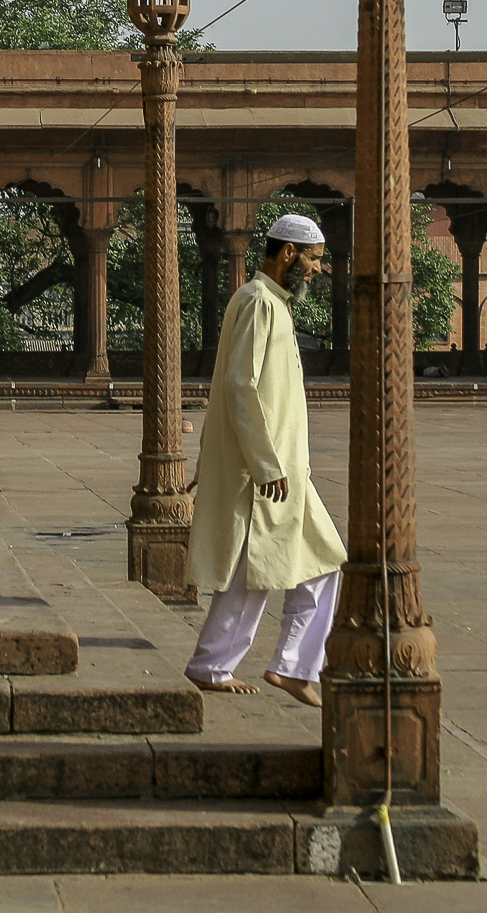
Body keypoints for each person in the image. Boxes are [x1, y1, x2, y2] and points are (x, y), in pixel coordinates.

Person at [183, 212, 348, 706]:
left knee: (313, 563)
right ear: (289, 253)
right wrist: (265, 464)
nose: (317, 269)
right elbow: (240, 385)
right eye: (314, 259)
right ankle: (234, 666)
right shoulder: (259, 301)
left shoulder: (270, 302)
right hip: (267, 471)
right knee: (262, 568)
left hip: (283, 468)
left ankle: (283, 666)